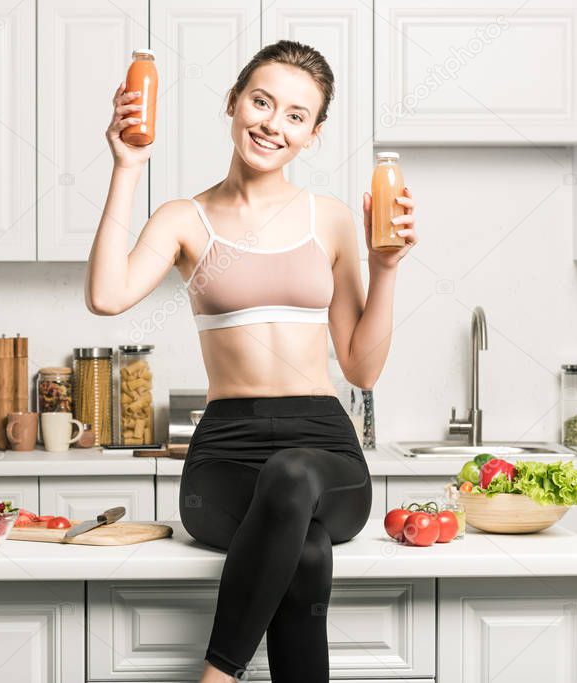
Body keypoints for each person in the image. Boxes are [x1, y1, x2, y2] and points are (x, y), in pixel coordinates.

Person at [85, 39, 417, 683]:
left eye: (296, 115)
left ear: (313, 136)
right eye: (262, 102)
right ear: (233, 103)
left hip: (325, 453)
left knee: (293, 476)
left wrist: (385, 269)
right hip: (224, 457)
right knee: (308, 549)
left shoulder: (334, 221)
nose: (273, 123)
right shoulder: (185, 218)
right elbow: (106, 295)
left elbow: (362, 370)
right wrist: (127, 166)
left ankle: (216, 675)